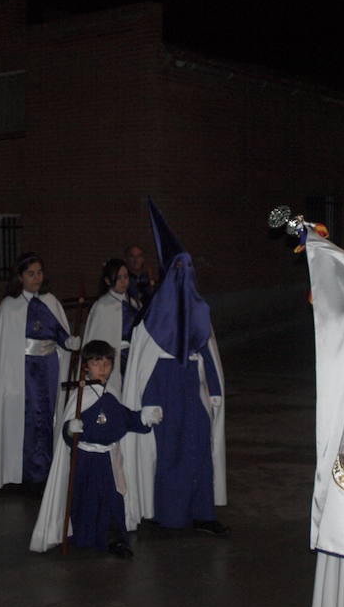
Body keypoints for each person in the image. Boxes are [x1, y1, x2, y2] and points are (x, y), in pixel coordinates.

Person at [121, 203, 227, 535]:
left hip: (192, 388)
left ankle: (203, 512)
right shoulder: (154, 316)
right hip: (164, 389)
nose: (187, 274)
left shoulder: (198, 311)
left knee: (199, 449)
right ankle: (169, 516)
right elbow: (144, 362)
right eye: (180, 267)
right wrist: (149, 399)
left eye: (190, 267)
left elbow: (207, 351)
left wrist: (215, 388)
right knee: (170, 452)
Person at [29, 340, 163, 557]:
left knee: (111, 499)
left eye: (107, 364)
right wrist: (71, 430)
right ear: (86, 367)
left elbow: (125, 418)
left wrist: (143, 418)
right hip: (85, 459)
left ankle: (116, 540)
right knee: (85, 499)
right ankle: (85, 536)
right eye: (96, 363)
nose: (102, 369)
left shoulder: (110, 396)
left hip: (108, 459)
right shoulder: (80, 396)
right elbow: (68, 431)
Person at [0, 252, 79, 491]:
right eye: (30, 273)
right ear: (19, 276)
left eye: (39, 272)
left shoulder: (50, 301)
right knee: (29, 419)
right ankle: (28, 474)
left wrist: (69, 342)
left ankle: (47, 471)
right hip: (22, 370)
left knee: (48, 417)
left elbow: (59, 334)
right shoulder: (9, 308)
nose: (36, 278)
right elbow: (3, 349)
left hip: (49, 368)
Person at [83, 258, 140, 391]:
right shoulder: (102, 306)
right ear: (108, 280)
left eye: (125, 277)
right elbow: (95, 340)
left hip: (133, 358)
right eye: (118, 277)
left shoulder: (134, 303)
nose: (123, 281)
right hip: (115, 360)